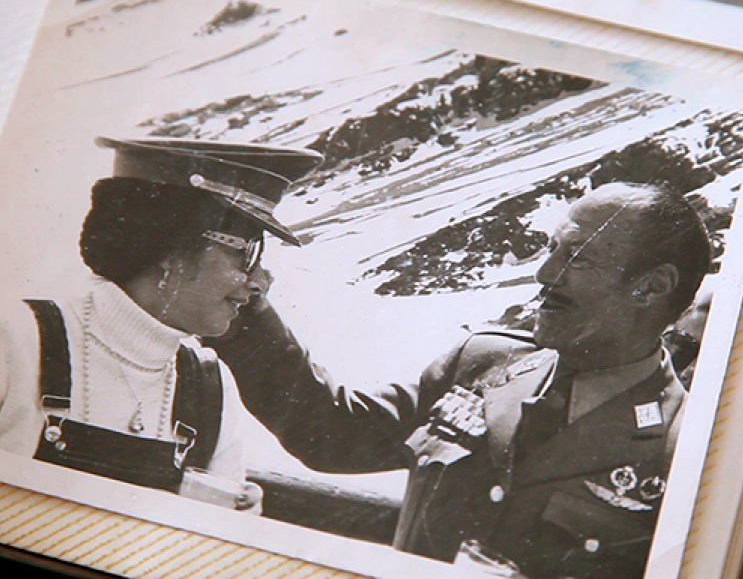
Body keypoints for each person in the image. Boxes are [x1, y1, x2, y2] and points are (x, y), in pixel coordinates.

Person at [212, 180, 711, 576]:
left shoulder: (690, 451)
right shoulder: (485, 363)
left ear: (652, 286)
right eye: (552, 248)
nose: (544, 273)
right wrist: (241, 312)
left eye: (577, 257)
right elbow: (331, 434)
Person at [0, 136, 322, 511]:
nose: (260, 282)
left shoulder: (211, 385)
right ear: (172, 252)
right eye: (246, 253)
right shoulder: (15, 340)